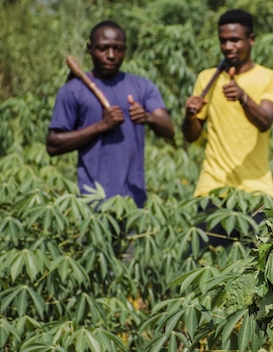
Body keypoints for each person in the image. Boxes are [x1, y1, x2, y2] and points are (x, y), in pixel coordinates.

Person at [47, 20, 175, 256]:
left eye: (118, 49)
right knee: (95, 277)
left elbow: (169, 129)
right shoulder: (73, 90)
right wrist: (100, 126)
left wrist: (148, 117)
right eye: (103, 48)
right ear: (90, 48)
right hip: (90, 204)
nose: (111, 55)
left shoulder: (141, 87)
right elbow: (53, 144)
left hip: (134, 202)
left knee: (132, 279)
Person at [182, 9, 273, 246]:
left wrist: (243, 97)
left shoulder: (271, 78)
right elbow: (191, 135)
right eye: (223, 40)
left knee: (258, 271)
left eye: (235, 40)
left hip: (257, 191)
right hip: (212, 189)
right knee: (208, 266)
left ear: (251, 40)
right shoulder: (207, 78)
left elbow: (265, 121)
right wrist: (189, 115)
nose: (228, 46)